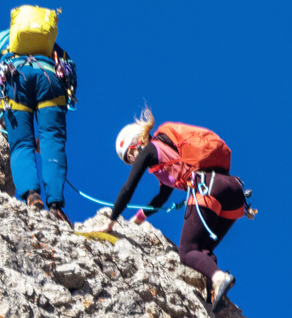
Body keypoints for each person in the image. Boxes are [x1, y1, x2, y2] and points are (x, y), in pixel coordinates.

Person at [104, 109, 245, 307]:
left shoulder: (150, 150)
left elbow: (128, 187)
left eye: (130, 157)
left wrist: (111, 221)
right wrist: (137, 219)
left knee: (187, 252)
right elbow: (161, 198)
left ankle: (219, 278)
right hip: (233, 192)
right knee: (203, 249)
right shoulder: (167, 157)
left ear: (135, 145)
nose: (132, 162)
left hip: (208, 188)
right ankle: (213, 291)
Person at [0, 6, 78, 218]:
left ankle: (32, 196)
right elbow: (70, 69)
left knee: (21, 144)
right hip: (50, 77)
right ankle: (56, 207)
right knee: (52, 140)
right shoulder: (48, 44)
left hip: (15, 78)